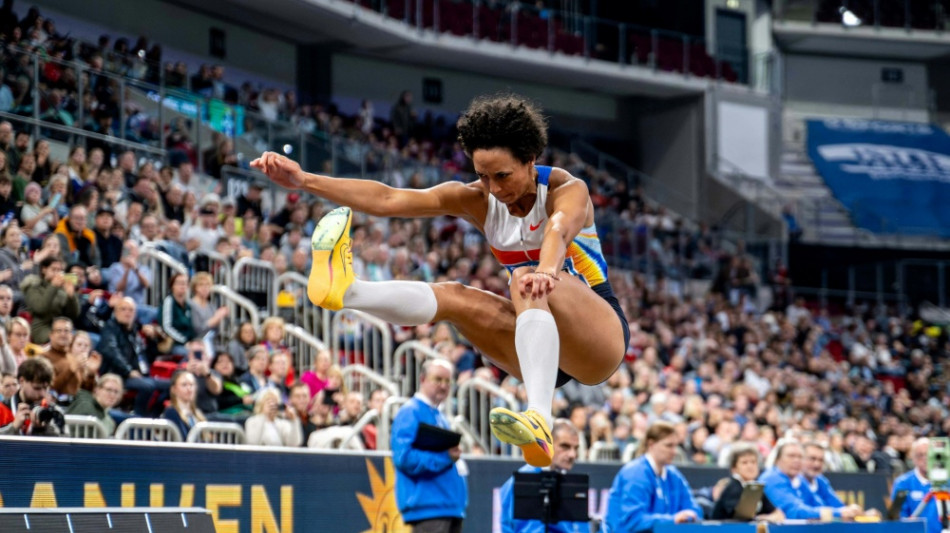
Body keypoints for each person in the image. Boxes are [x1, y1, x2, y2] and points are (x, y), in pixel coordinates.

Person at [252, 94, 629, 467]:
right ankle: (349, 291)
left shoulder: (567, 189)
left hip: (598, 339)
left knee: (524, 280)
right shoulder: (477, 199)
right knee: (455, 297)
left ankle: (539, 421)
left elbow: (559, 231)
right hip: (539, 351)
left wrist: (548, 269)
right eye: (483, 176)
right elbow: (388, 199)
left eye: (502, 175)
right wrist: (305, 180)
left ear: (531, 160)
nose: (494, 188)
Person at [391, 359, 467, 532]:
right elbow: (404, 458)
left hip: (447, 507)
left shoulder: (439, 415)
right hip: (429, 508)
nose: (443, 386)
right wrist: (445, 457)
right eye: (438, 379)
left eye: (448, 381)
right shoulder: (410, 412)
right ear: (422, 379)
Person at [602, 421, 702, 532]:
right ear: (651, 444)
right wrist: (673, 519)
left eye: (675, 446)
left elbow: (694, 509)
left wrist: (687, 517)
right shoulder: (635, 473)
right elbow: (633, 520)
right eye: (669, 445)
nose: (674, 452)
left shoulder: (674, 476)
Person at [499, 419, 587, 532]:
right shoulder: (522, 481)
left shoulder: (567, 483)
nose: (572, 455)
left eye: (576, 448)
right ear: (547, 445)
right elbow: (506, 525)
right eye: (565, 446)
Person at [97, 297, 169, 416]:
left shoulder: (135, 331)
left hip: (140, 375)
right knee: (148, 386)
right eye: (123, 309)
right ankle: (139, 417)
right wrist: (129, 371)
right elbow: (111, 351)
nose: (127, 313)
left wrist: (151, 341)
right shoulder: (110, 328)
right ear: (116, 312)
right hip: (118, 375)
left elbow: (148, 358)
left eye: (131, 310)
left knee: (171, 385)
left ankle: (152, 416)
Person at [759, 439, 861, 520]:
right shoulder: (772, 478)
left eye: (800, 457)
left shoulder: (799, 479)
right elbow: (794, 511)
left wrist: (849, 511)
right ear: (777, 459)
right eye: (791, 456)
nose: (796, 460)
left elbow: (817, 504)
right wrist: (837, 512)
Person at [711, 442, 784, 521]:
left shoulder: (755, 487)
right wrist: (763, 518)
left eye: (753, 462)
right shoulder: (732, 487)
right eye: (744, 462)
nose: (750, 466)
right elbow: (742, 519)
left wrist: (763, 518)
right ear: (734, 468)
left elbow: (779, 514)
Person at [21, 256, 80, 344]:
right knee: (59, 340)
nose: (57, 273)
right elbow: (40, 308)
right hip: (42, 327)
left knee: (80, 340)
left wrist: (71, 296)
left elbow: (73, 315)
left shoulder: (62, 290)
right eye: (54, 269)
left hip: (62, 328)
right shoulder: (33, 287)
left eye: (59, 270)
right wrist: (53, 286)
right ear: (44, 270)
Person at [800, 441, 870, 516]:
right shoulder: (795, 481)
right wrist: (840, 512)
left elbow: (838, 506)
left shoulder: (821, 481)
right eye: (812, 459)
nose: (817, 464)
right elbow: (802, 511)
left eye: (821, 460)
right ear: (801, 459)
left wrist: (861, 513)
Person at [0, 356, 65, 436]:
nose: (42, 393)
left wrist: (43, 429)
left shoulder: (53, 411)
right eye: (37, 388)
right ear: (22, 381)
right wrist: (13, 427)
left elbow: (64, 445)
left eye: (45, 388)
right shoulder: (2, 409)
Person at [892, 438, 940, 533]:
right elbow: (895, 516)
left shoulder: (946, 482)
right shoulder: (902, 483)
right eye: (920, 455)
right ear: (913, 458)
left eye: (928, 455)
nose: (925, 459)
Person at [162, 369, 205, 440]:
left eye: (191, 385)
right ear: (174, 389)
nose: (189, 389)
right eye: (184, 385)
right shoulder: (171, 412)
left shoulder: (197, 413)